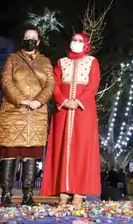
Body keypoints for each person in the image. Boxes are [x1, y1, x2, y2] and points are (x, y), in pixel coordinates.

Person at [0, 26, 54, 206]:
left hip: (36, 114)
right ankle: (6, 195)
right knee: (9, 154)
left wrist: (39, 101)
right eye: (27, 37)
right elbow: (5, 81)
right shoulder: (12, 59)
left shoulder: (45, 62)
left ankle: (28, 195)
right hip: (13, 112)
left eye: (33, 37)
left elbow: (51, 84)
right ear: (22, 40)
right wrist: (21, 100)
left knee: (31, 154)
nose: (30, 40)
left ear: (38, 42)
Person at [41, 33, 101, 206]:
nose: (76, 43)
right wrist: (63, 100)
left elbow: (93, 85)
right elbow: (54, 84)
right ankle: (63, 191)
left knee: (82, 149)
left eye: (80, 41)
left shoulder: (92, 61)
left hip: (84, 110)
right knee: (61, 147)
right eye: (73, 40)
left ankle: (79, 192)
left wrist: (78, 101)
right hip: (63, 110)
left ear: (86, 44)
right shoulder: (61, 62)